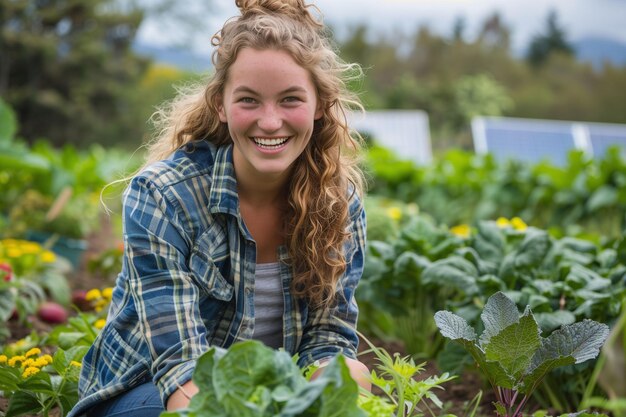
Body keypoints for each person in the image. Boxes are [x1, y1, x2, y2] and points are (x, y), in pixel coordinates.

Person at [68, 0, 370, 415]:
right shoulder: (164, 195)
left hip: (265, 398)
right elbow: (180, 370)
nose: (269, 121)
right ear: (220, 105)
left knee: (351, 375)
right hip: (150, 392)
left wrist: (330, 391)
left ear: (319, 105)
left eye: (290, 100)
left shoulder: (339, 205)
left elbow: (327, 340)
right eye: (248, 100)